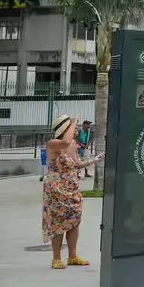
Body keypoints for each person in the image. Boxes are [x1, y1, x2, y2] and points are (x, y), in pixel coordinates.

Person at [43, 115, 102, 269]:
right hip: (56, 189)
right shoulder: (53, 143)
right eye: (73, 127)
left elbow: (76, 164)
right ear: (65, 128)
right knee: (58, 222)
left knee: (74, 221)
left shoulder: (73, 144)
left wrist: (93, 161)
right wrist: (73, 120)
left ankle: (73, 256)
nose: (76, 129)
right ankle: (56, 258)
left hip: (72, 187)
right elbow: (65, 141)